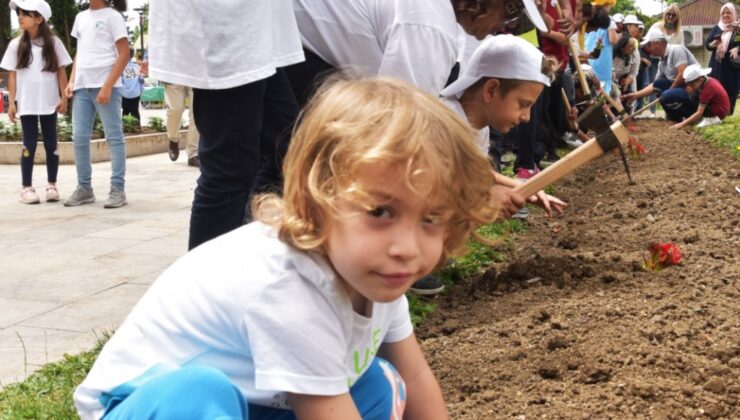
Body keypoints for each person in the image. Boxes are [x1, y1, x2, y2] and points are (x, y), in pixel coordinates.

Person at [73, 77, 497, 420]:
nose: (407, 248)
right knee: (199, 394)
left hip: (250, 400)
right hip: (146, 405)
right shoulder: (288, 286)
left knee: (378, 384)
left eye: (431, 218)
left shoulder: (373, 269)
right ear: (319, 200)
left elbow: (416, 375)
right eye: (381, 212)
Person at [285, 0, 548, 296]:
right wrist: (478, 201)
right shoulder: (431, 25)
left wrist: (495, 186)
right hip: (291, 38)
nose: (505, 26)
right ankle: (311, 281)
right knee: (293, 167)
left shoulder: (437, 18)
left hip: (304, 43)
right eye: (510, 13)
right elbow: (401, 134)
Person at [149, 0, 304, 251]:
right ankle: (204, 283)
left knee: (288, 149)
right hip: (227, 27)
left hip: (258, 31)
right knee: (228, 170)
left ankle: (253, 249)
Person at [440, 34, 567, 219]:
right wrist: (481, 202)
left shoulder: (477, 124)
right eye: (523, 104)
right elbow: (428, 193)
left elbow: (478, 174)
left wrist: (521, 188)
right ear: (491, 90)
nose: (526, 117)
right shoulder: (443, 127)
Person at [1, 0, 71, 204]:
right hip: (28, 104)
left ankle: (52, 185)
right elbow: (12, 76)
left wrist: (64, 98)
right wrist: (12, 103)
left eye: (25, 14)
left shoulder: (54, 43)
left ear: (39, 18)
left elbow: (61, 72)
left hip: (49, 102)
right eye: (19, 14)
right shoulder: (16, 45)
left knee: (51, 144)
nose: (20, 17)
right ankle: (26, 187)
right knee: (28, 144)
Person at [63, 0, 130, 208]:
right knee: (80, 137)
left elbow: (125, 53)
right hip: (82, 86)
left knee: (114, 137)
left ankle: (118, 190)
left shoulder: (113, 16)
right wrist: (72, 80)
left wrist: (108, 86)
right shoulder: (81, 17)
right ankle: (84, 188)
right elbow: (79, 53)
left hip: (106, 85)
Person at [624, 31, 699, 122]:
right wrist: (636, 95)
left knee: (667, 95)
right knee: (660, 87)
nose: (647, 49)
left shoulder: (676, 50)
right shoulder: (662, 61)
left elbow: (682, 75)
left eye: (649, 45)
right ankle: (675, 118)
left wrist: (668, 92)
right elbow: (655, 85)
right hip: (680, 89)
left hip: (694, 90)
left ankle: (692, 115)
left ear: (658, 43)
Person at [668, 64, 730, 130]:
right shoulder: (709, 80)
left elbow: (699, 113)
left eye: (692, 85)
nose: (690, 87)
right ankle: (695, 119)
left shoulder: (707, 89)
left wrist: (681, 124)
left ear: (700, 80)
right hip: (720, 108)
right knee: (693, 96)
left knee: (693, 99)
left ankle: (711, 119)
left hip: (718, 112)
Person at [705, 3, 739, 116]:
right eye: (723, 13)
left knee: (731, 90)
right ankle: (716, 114)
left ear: (733, 13)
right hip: (717, 65)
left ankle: (729, 114)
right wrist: (713, 44)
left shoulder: (738, 28)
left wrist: (738, 48)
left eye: (728, 12)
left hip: (732, 66)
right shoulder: (717, 27)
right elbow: (707, 44)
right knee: (716, 89)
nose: (725, 15)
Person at [163, 83, 200, 167]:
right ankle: (173, 138)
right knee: (175, 110)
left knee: (196, 113)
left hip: (196, 75)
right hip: (175, 74)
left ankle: (193, 154)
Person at [120, 48, 144, 126]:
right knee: (135, 111)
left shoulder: (121, 67)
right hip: (136, 93)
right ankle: (136, 127)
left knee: (125, 112)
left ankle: (125, 128)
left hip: (124, 93)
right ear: (132, 55)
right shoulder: (137, 66)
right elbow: (141, 80)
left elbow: (120, 81)